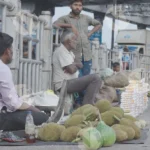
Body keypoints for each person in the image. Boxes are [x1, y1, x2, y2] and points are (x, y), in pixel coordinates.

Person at [0, 32, 49, 131]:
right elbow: (14, 104)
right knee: (43, 118)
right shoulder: (3, 68)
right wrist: (37, 111)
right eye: (12, 49)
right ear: (7, 51)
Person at [53, 32, 102, 106]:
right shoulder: (61, 51)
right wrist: (74, 66)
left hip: (71, 81)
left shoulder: (70, 52)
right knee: (95, 78)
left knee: (95, 80)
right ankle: (87, 105)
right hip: (63, 84)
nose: (77, 42)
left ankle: (86, 104)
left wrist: (74, 65)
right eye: (75, 40)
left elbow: (80, 64)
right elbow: (72, 70)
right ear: (69, 41)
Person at [54, 0, 102, 77]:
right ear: (70, 6)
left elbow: (98, 24)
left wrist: (89, 33)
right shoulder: (65, 18)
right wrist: (70, 25)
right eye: (75, 5)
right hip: (73, 55)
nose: (78, 7)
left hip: (86, 55)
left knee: (86, 78)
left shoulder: (85, 18)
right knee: (75, 77)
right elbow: (55, 24)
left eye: (80, 5)